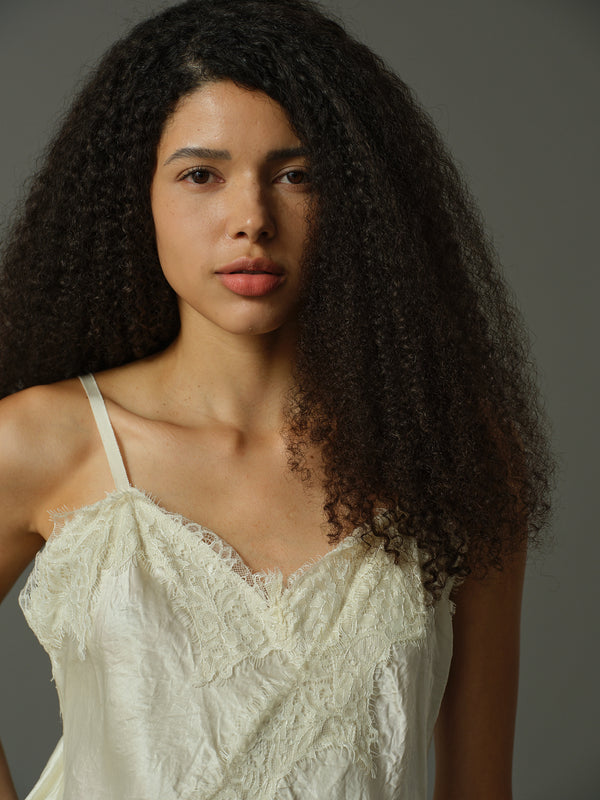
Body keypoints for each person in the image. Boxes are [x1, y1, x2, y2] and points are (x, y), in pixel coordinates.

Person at [0, 0, 554, 797]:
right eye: (201, 175)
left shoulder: (456, 457)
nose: (250, 219)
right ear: (137, 198)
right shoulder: (49, 440)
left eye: (296, 175)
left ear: (357, 203)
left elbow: (479, 787)